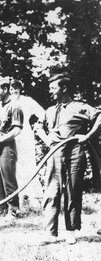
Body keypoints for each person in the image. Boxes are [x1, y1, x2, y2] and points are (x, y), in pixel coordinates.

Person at [40, 72, 101, 244]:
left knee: (72, 191)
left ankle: (71, 230)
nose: (50, 91)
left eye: (53, 88)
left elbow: (99, 118)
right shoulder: (50, 110)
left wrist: (87, 136)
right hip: (54, 153)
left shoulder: (80, 107)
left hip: (75, 152)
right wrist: (46, 138)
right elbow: (39, 127)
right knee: (51, 191)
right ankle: (50, 232)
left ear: (64, 88)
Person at [0, 77, 24, 217]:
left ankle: (14, 210)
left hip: (7, 147)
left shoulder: (15, 106)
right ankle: (1, 211)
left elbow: (16, 130)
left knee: (8, 178)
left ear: (5, 89)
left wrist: (0, 139)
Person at [10, 79, 50, 208]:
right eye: (11, 88)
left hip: (25, 135)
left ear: (20, 89)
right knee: (15, 167)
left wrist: (37, 125)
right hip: (11, 136)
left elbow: (43, 113)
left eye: (16, 88)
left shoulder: (27, 101)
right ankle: (19, 199)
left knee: (28, 164)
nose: (13, 90)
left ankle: (34, 199)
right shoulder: (8, 102)